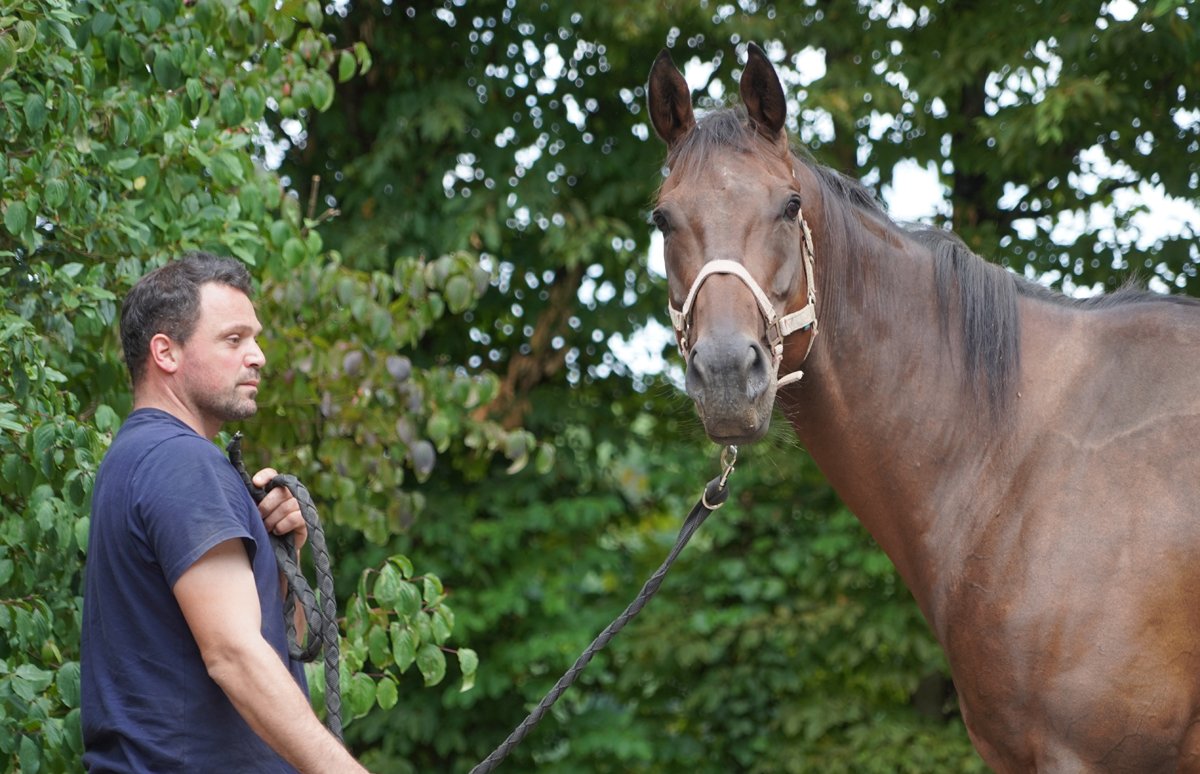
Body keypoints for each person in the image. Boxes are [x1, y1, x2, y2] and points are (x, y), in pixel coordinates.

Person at [81, 253, 368, 773]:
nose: (257, 356)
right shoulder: (180, 461)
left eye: (254, 339)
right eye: (234, 339)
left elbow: (273, 642)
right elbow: (234, 655)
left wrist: (282, 560)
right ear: (166, 352)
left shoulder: (136, 457)